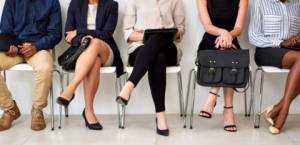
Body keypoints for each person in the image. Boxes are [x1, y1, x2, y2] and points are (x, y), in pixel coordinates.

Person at [116, 0, 185, 136]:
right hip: (139, 49)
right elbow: (128, 34)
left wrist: (167, 33)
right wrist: (148, 36)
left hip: (169, 48)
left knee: (159, 39)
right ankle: (161, 116)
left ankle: (129, 85)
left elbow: (181, 31)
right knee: (157, 56)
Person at [57, 0, 123, 130]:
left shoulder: (111, 5)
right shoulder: (75, 4)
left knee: (96, 43)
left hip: (105, 51)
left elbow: (106, 34)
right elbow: (68, 35)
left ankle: (71, 87)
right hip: (84, 53)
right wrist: (81, 39)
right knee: (94, 61)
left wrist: (80, 31)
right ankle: (89, 112)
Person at [0, 0, 62, 131]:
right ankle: (10, 109)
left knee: (45, 68)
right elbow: (5, 30)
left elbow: (55, 34)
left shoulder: (51, 2)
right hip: (15, 49)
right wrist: (10, 45)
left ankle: (37, 110)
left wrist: (36, 46)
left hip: (39, 48)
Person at [249, 0, 300, 135]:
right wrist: (281, 43)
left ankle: (277, 108)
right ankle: (283, 112)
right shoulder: (260, 3)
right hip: (267, 49)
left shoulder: (298, 3)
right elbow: (253, 36)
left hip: (293, 50)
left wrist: (297, 39)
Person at [197, 0, 248, 132]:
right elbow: (207, 26)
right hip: (209, 43)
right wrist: (224, 33)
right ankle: (228, 110)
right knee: (229, 58)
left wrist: (228, 35)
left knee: (228, 54)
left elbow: (238, 28)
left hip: (231, 41)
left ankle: (213, 94)